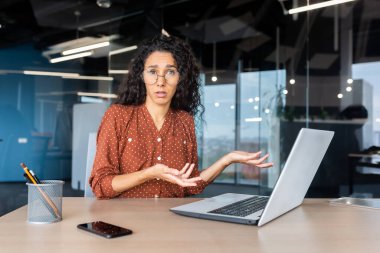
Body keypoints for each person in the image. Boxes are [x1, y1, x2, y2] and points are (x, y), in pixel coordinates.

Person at [89, 34, 273, 199]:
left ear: (180, 77)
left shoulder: (185, 120)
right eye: (153, 72)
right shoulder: (118, 116)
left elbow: (190, 184)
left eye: (170, 72)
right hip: (127, 222)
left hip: (173, 221)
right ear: (142, 76)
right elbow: (101, 186)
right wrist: (149, 173)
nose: (161, 82)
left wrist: (227, 159)